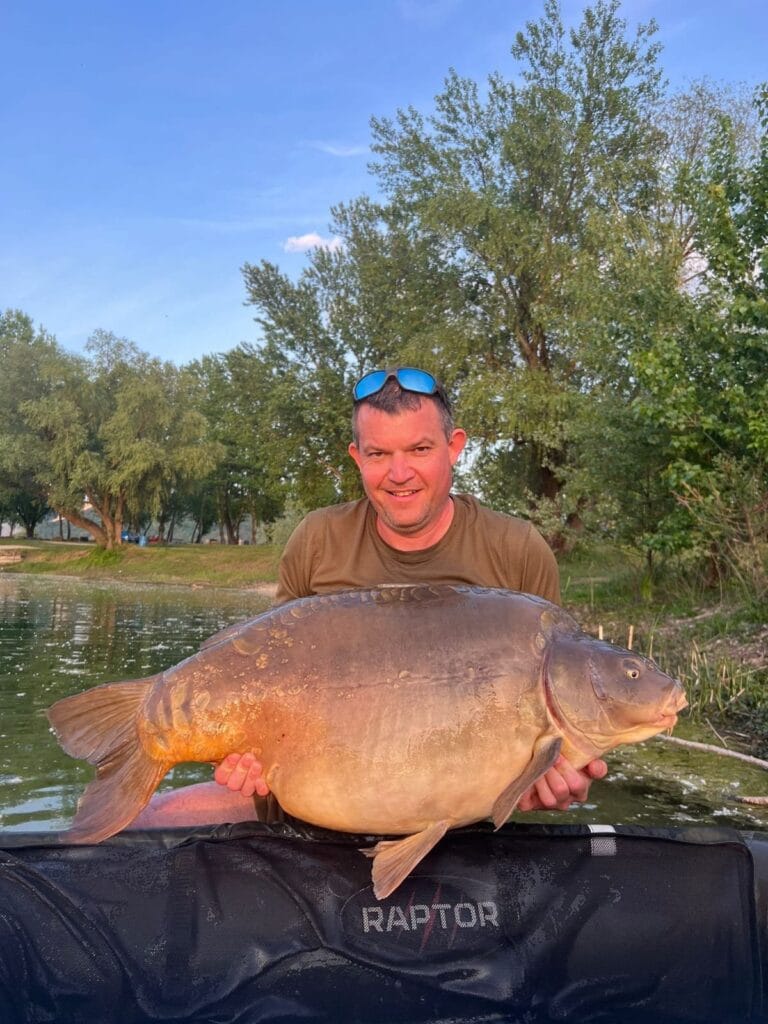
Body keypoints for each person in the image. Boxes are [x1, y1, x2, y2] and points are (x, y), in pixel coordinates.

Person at [133, 367, 606, 829]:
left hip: (465, 823)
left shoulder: (517, 551)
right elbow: (268, 667)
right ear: (356, 457)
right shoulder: (318, 539)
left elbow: (544, 742)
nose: (399, 473)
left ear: (454, 446)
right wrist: (249, 754)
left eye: (419, 449)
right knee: (146, 820)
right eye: (378, 454)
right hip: (317, 804)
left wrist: (554, 783)